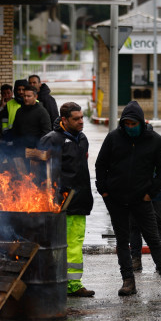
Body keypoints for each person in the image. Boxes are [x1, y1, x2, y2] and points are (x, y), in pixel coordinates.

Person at [95, 101, 161, 297]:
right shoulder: (113, 138)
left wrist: (150, 191)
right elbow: (101, 165)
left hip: (142, 200)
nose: (130, 128)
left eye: (134, 124)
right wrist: (104, 191)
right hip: (116, 200)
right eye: (127, 124)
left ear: (141, 122)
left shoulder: (154, 140)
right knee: (123, 242)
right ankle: (128, 281)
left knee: (154, 240)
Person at [39, 102, 95, 297]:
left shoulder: (82, 139)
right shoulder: (51, 140)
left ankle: (73, 284)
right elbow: (40, 172)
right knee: (56, 245)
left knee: (75, 244)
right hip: (59, 204)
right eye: (76, 119)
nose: (81, 122)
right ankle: (53, 282)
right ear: (64, 120)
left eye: (82, 117)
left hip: (79, 202)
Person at [10, 85, 51, 153]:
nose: (26, 98)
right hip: (21, 149)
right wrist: (15, 146)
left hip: (36, 150)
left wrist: (39, 147)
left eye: (29, 96)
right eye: (24, 96)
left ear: (35, 97)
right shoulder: (19, 111)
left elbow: (46, 132)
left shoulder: (42, 112)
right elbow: (15, 130)